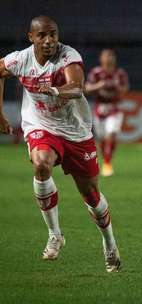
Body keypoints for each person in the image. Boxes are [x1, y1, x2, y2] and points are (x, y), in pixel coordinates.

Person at [0, 16, 121, 272]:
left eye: (53, 34)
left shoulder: (69, 56)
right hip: (41, 127)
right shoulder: (20, 60)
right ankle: (55, 234)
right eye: (42, 35)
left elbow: (77, 87)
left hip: (76, 133)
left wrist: (56, 91)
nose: (49, 40)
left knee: (91, 196)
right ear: (31, 37)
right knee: (41, 164)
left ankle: (109, 243)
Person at [85, 49, 129, 177]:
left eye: (111, 56)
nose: (109, 58)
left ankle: (108, 163)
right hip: (99, 108)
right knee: (102, 139)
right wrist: (98, 85)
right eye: (106, 56)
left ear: (114, 58)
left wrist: (116, 87)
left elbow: (125, 89)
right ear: (101, 58)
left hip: (114, 108)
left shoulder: (119, 73)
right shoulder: (96, 72)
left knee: (111, 134)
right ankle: (105, 160)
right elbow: (87, 88)